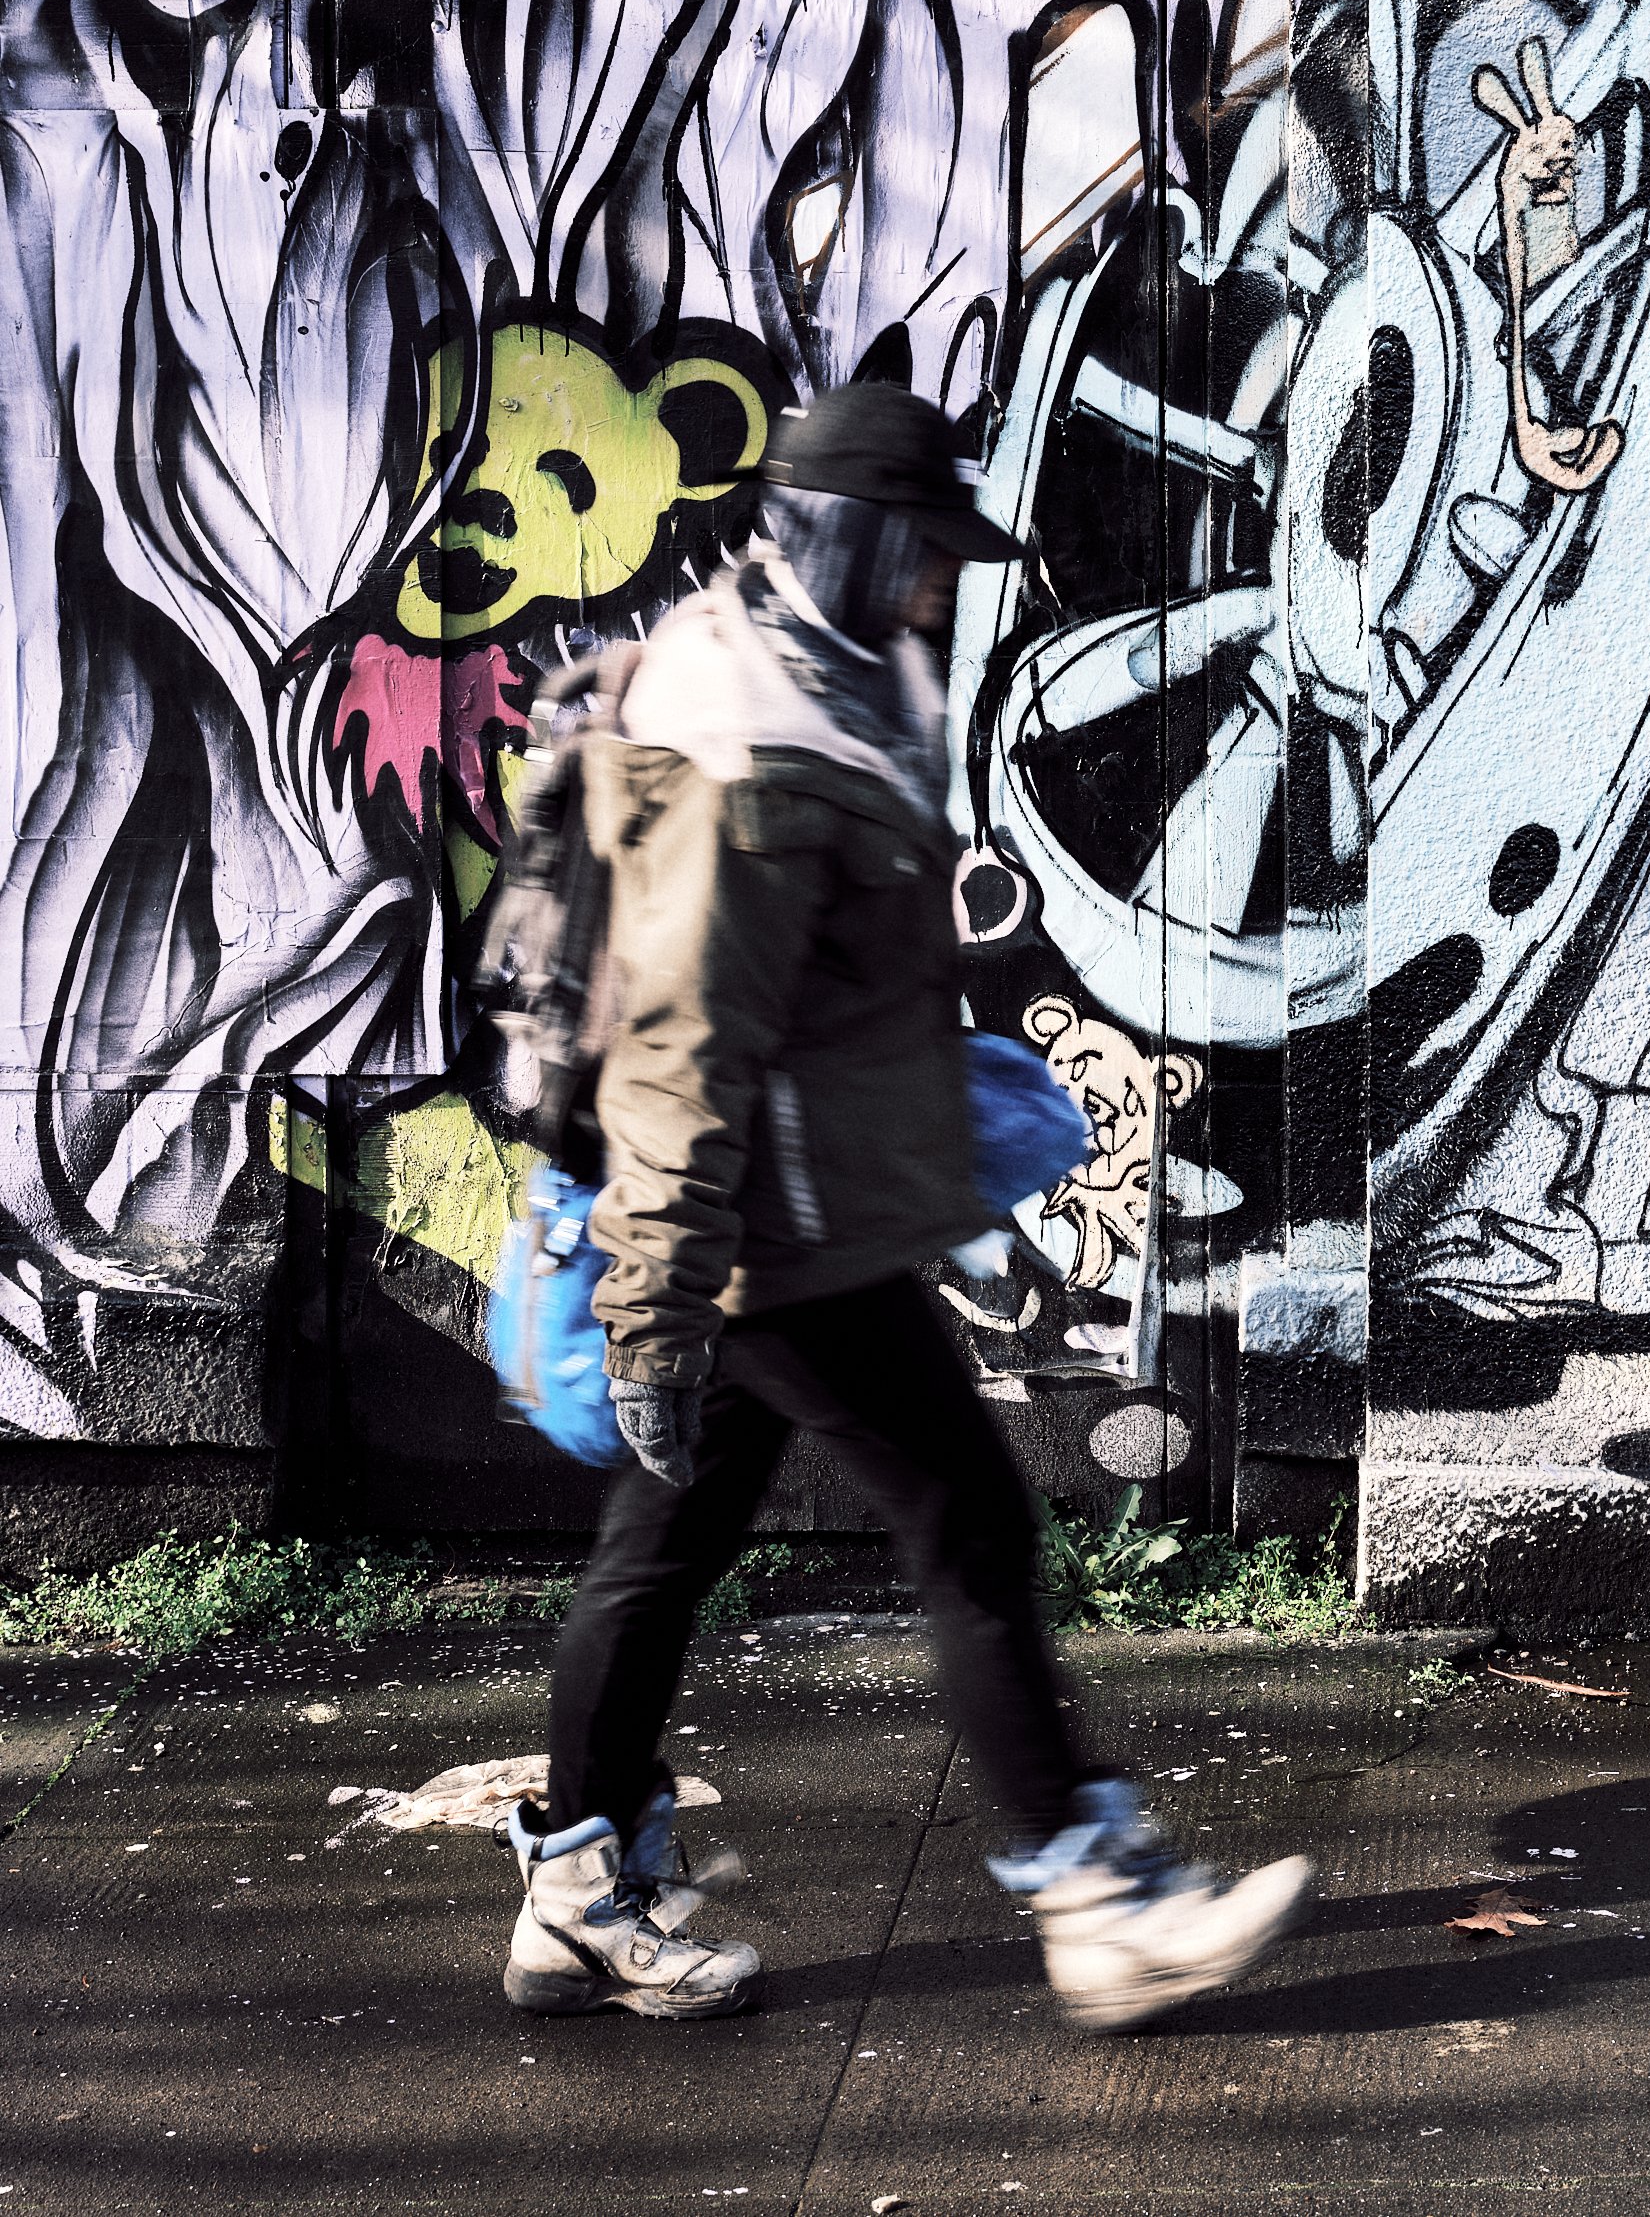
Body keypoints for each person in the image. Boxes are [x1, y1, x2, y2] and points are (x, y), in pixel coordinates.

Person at [498, 382, 1312, 2029]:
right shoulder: (741, 728)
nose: (945, 583)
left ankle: (579, 1887)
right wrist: (658, 1307)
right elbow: (677, 1044)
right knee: (973, 1526)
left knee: (667, 1541)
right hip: (763, 1238)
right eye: (927, 550)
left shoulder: (818, 677)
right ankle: (1100, 1899)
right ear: (859, 536)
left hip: (770, 1219)